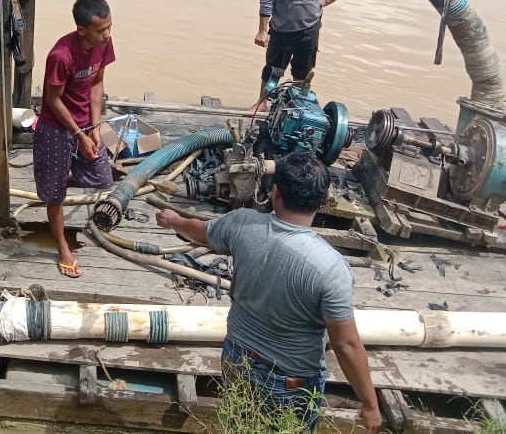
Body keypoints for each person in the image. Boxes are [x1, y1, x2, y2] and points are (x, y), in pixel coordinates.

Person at [156, 152, 382, 433]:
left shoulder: (241, 224)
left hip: (237, 360)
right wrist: (370, 405)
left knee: (239, 426)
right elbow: (345, 344)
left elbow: (200, 231)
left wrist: (173, 220)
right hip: (289, 383)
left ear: (275, 193)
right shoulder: (331, 267)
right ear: (326, 197)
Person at [33, 0, 115, 278]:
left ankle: (54, 183)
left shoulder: (103, 44)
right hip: (55, 128)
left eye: (109, 27)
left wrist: (95, 127)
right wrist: (79, 134)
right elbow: (53, 99)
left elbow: (97, 83)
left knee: (103, 178)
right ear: (82, 29)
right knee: (55, 197)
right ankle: (62, 247)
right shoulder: (61, 55)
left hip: (84, 123)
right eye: (101, 30)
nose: (107, 34)